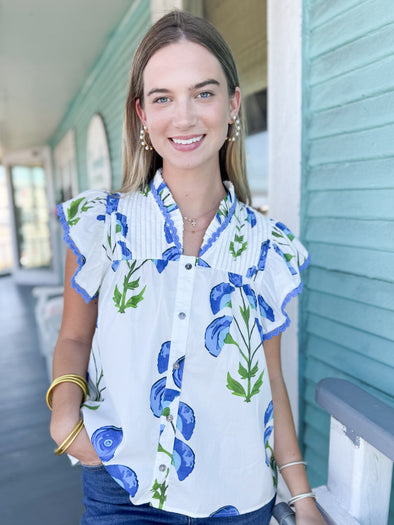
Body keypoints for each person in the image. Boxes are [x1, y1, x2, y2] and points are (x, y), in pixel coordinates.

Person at [48, 10, 327, 525]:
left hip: (236, 498)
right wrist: (65, 417)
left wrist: (304, 501)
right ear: (142, 115)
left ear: (232, 104)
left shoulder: (267, 247)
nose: (184, 117)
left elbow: (269, 383)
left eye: (203, 93)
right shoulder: (103, 226)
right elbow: (72, 339)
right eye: (163, 98)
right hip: (121, 488)